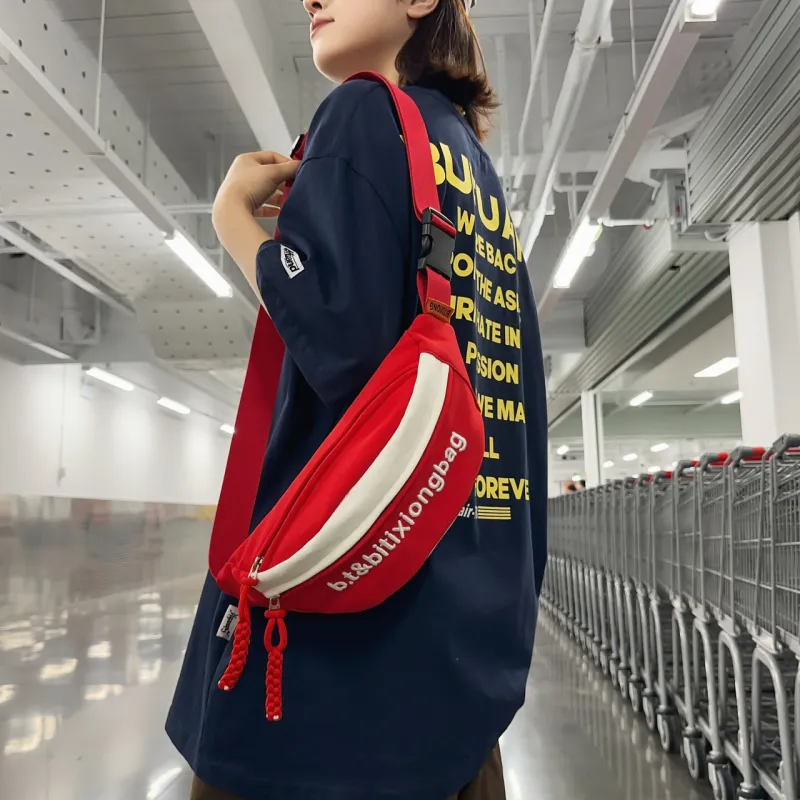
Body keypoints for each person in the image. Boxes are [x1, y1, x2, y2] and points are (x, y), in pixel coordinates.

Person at [166, 1, 548, 798]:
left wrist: (233, 219)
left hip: (334, 693)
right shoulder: (472, 166)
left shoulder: (363, 111)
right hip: (459, 687)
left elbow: (340, 346)